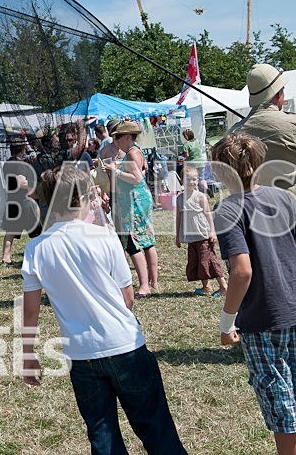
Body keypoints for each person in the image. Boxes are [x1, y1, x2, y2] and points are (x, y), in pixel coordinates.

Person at [21, 166, 185, 453]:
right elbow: (127, 298)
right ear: (85, 197)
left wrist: (28, 354)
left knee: (102, 435)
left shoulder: (36, 248)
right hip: (125, 345)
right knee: (156, 427)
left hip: (80, 354)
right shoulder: (105, 237)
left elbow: (31, 311)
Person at [212, 133, 296, 455]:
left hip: (261, 321)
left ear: (221, 171)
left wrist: (227, 323)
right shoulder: (283, 198)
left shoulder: (227, 209)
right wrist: (293, 284)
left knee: (281, 410)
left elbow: (242, 271)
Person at [231, 63, 296, 293]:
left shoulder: (235, 132)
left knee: (264, 278)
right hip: (294, 213)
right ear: (278, 94)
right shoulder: (294, 124)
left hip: (253, 215)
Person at [102, 120, 159, 298]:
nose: (116, 140)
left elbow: (136, 178)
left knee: (134, 242)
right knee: (137, 241)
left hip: (135, 202)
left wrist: (115, 170)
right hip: (132, 200)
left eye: (118, 136)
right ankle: (148, 282)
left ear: (127, 137)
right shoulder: (132, 152)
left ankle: (145, 286)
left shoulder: (133, 152)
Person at [175, 166, 227, 297]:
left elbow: (209, 215)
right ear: (182, 180)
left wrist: (212, 231)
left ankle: (223, 286)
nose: (192, 182)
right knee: (198, 262)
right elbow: (179, 217)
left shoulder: (200, 197)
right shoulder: (179, 198)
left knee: (209, 261)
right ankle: (206, 287)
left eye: (194, 179)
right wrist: (177, 236)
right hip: (190, 236)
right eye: (188, 179)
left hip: (203, 234)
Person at [1, 141, 41, 266]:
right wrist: (35, 187)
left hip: (12, 200)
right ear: (22, 150)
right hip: (23, 202)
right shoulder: (20, 164)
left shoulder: (7, 163)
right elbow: (21, 182)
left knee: (10, 231)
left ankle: (6, 259)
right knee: (37, 232)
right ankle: (39, 256)